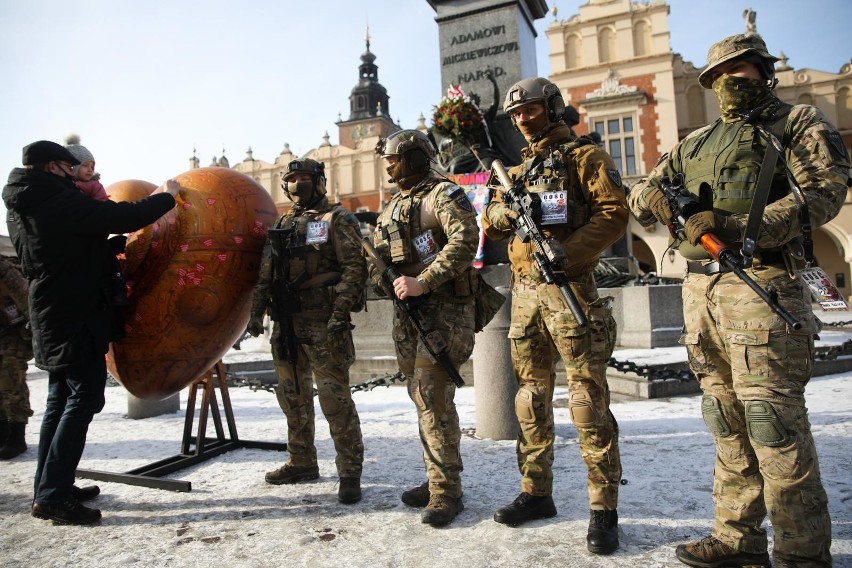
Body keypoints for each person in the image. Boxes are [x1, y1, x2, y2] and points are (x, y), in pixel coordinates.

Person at [628, 34, 849, 568]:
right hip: (699, 290)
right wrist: (653, 197)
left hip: (761, 284)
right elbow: (640, 191)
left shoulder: (797, 124)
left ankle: (801, 552)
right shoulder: (697, 140)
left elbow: (824, 191)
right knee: (723, 417)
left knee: (772, 422)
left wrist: (736, 226)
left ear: (764, 71)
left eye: (742, 69)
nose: (731, 80)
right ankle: (736, 536)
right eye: (721, 74)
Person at [481, 77, 627, 554]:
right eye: (516, 113)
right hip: (524, 297)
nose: (523, 119)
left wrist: (567, 250)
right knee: (530, 400)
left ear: (554, 107)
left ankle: (603, 509)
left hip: (571, 291)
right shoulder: (517, 170)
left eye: (532, 109)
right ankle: (535, 492)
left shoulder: (585, 158)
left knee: (587, 403)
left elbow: (613, 213)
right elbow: (491, 220)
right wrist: (508, 213)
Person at [3, 140, 180, 525]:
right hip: (74, 311)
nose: (76, 176)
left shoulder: (24, 202)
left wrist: (100, 251)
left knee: (60, 398)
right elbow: (123, 216)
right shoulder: (55, 198)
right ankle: (52, 497)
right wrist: (168, 197)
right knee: (82, 398)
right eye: (70, 169)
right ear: (53, 167)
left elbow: (60, 250)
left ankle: (51, 485)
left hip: (53, 307)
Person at [371, 129, 478, 527]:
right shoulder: (392, 205)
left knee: (433, 398)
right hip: (408, 315)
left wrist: (424, 280)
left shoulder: (443, 194)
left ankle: (446, 492)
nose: (388, 165)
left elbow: (466, 239)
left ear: (416, 157)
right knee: (421, 397)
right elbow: (377, 256)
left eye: (395, 158)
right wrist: (383, 277)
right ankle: (437, 476)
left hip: (444, 312)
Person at [247, 158, 367, 505]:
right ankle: (301, 461)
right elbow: (266, 272)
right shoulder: (283, 223)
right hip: (285, 324)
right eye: (292, 179)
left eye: (304, 178)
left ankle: (349, 471)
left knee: (335, 399)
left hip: (324, 322)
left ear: (319, 182)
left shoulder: (337, 219)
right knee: (292, 396)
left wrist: (340, 311)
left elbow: (354, 269)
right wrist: (256, 314)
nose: (297, 184)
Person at [0, 254, 33, 459]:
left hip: (13, 333)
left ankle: (16, 435)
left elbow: (26, 299)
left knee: (11, 381)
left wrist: (36, 336)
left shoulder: (4, 270)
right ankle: (3, 431)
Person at [64, 134, 108, 201]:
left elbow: (102, 201)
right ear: (74, 167)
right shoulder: (65, 182)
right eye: (85, 165)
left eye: (92, 167)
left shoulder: (95, 185)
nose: (90, 170)